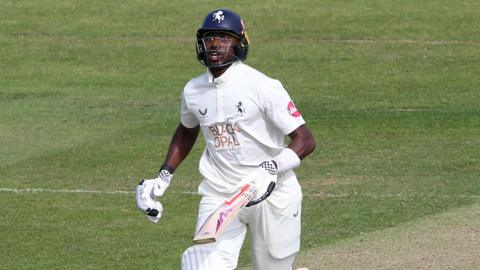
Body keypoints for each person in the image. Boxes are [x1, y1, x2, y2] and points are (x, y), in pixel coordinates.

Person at [136, 8, 316, 270]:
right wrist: (165, 174)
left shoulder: (262, 86)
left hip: (272, 193)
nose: (215, 44)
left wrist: (270, 168)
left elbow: (306, 140)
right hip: (220, 193)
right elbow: (187, 129)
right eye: (209, 38)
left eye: (224, 38)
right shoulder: (193, 90)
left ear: (239, 43)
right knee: (202, 266)